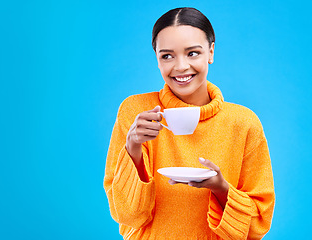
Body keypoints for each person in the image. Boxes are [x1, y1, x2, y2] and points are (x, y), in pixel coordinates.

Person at [104, 7, 275, 240]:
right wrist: (132, 148)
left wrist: (220, 188)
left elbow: (257, 225)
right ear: (156, 59)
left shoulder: (243, 123)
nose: (181, 66)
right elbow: (128, 215)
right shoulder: (136, 112)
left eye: (192, 53)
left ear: (211, 52)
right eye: (167, 55)